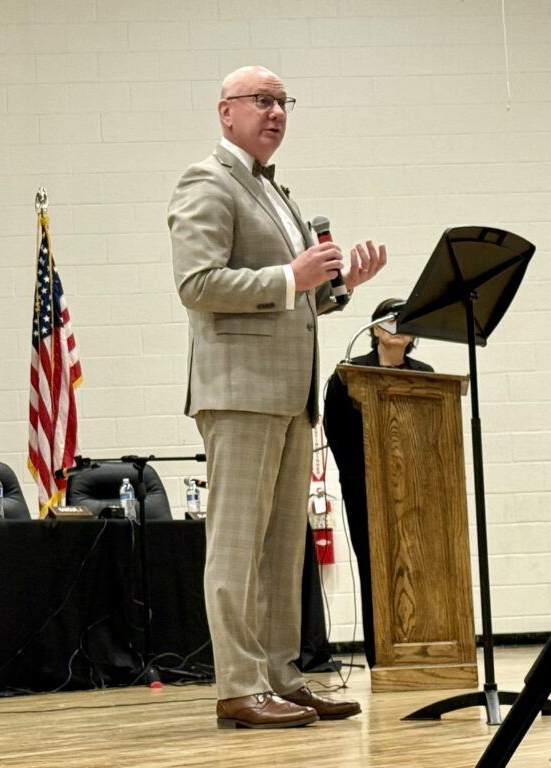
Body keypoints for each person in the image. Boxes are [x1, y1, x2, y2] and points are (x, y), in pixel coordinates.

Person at [168, 65, 387, 729]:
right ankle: (238, 685)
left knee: (280, 549)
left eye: (283, 102)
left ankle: (284, 678)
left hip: (291, 398)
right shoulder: (207, 181)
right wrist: (288, 275)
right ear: (225, 111)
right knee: (236, 548)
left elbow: (296, 296)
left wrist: (337, 283)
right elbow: (198, 283)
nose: (276, 112)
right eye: (262, 101)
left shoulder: (279, 194)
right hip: (239, 393)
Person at [322, 299, 434, 669]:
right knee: (376, 568)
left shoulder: (426, 374)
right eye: (389, 320)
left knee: (420, 565)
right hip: (365, 489)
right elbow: (335, 431)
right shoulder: (349, 374)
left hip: (416, 492)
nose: (397, 326)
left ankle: (421, 649)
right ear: (373, 330)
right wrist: (361, 475)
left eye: (406, 321)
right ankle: (381, 656)